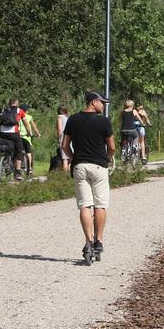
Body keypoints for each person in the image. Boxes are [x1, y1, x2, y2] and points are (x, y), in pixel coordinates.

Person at [61, 91, 114, 264]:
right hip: (99, 166)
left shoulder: (73, 119)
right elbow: (112, 147)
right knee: (100, 205)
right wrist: (107, 158)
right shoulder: (104, 121)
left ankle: (88, 241)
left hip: (80, 166)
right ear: (93, 102)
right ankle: (99, 241)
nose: (103, 105)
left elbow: (65, 145)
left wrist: (73, 158)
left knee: (84, 205)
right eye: (102, 102)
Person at [0, 98, 26, 181]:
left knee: (9, 147)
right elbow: (26, 123)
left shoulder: (4, 110)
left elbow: (0, 122)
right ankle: (18, 173)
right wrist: (29, 132)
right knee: (19, 151)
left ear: (9, 103)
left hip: (2, 133)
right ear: (17, 103)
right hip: (14, 133)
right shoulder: (19, 110)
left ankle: (6, 160)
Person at [55, 106, 70, 171]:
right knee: (69, 158)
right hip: (70, 138)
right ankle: (70, 173)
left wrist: (58, 137)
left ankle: (64, 174)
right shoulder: (68, 118)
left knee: (64, 158)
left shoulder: (59, 117)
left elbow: (59, 129)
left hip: (63, 138)